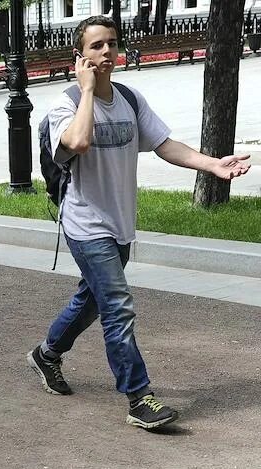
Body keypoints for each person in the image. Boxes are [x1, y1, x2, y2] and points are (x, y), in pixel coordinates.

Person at [29, 14, 251, 430]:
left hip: (120, 223)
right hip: (85, 224)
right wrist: (88, 91)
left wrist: (213, 166)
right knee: (117, 306)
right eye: (96, 46)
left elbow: (164, 144)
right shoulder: (66, 105)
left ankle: (47, 354)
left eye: (111, 43)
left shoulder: (131, 99)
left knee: (91, 300)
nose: (106, 51)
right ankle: (139, 397)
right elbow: (76, 142)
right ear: (79, 56)